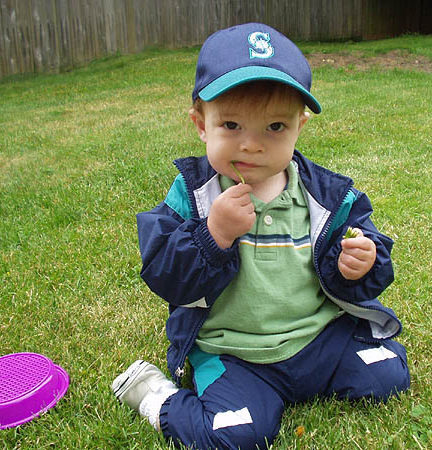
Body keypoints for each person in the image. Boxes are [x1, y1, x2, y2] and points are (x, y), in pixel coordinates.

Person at [112, 22, 410, 450]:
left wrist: (361, 262)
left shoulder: (326, 196)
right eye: (232, 125)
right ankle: (157, 398)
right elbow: (164, 273)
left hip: (318, 339)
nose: (251, 145)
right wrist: (212, 235)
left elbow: (371, 258)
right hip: (236, 355)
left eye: (274, 127)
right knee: (238, 433)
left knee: (387, 374)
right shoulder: (194, 196)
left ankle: (320, 372)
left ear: (299, 126)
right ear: (201, 124)